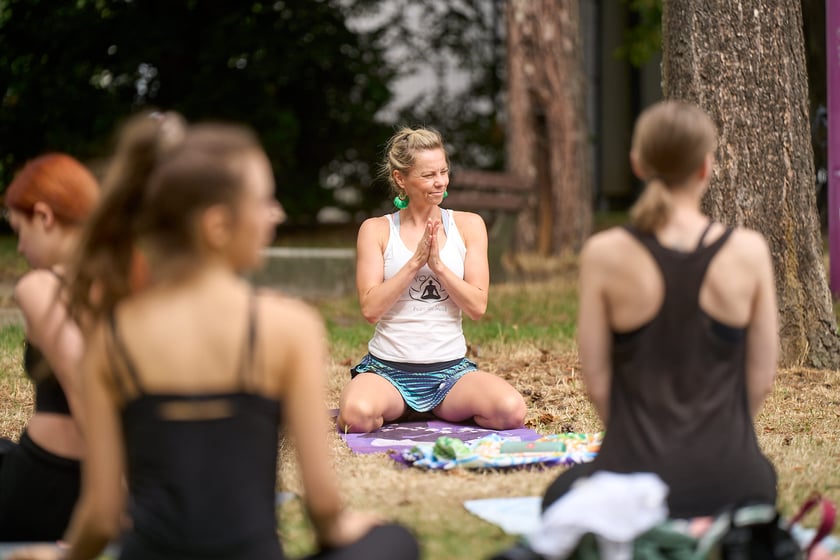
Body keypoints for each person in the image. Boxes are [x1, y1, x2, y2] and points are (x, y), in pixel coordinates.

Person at [9, 112, 418, 560]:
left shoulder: (113, 336)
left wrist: (65, 557)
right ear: (218, 226)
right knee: (396, 541)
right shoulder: (288, 326)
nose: (276, 214)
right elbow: (323, 510)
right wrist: (352, 528)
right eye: (265, 201)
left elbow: (103, 515)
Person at [541, 100, 779, 519]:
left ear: (637, 164)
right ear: (705, 167)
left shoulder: (605, 253)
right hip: (735, 481)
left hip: (634, 480)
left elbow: (597, 382)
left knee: (557, 497)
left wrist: (642, 446)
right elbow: (760, 379)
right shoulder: (749, 251)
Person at [338, 126, 527, 433]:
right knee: (357, 417)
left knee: (510, 411)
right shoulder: (376, 230)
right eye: (428, 175)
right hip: (388, 372)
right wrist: (414, 263)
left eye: (443, 171)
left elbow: (477, 306)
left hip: (450, 376)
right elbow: (370, 309)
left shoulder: (469, 225)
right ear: (401, 179)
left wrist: (438, 266)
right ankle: (391, 404)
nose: (440, 181)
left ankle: (438, 410)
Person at [0, 153, 99, 541]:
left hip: (47, 486)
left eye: (19, 231)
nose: (20, 249)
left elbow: (84, 389)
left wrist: (121, 494)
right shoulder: (131, 279)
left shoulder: (42, 287)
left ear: (44, 216)